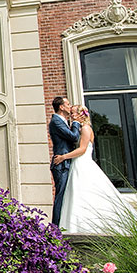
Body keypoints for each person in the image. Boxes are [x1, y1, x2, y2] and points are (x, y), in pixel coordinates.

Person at [52, 105, 134, 234]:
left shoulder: (85, 129)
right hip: (77, 164)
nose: (72, 116)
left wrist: (63, 157)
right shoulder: (80, 129)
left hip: (82, 164)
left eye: (73, 113)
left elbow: (82, 149)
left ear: (81, 115)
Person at [48, 96, 81, 228]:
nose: (70, 106)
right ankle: (55, 228)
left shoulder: (63, 121)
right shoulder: (56, 122)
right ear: (61, 107)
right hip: (61, 165)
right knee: (60, 196)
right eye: (67, 104)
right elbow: (73, 137)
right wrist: (76, 123)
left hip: (66, 163)